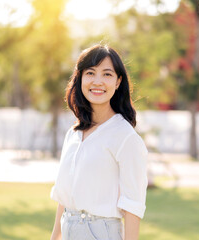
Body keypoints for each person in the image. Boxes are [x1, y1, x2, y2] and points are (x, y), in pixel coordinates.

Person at [50, 44, 148, 240]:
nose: (97, 81)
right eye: (90, 73)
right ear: (80, 79)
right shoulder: (73, 134)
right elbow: (66, 196)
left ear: (118, 81)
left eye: (107, 74)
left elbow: (133, 205)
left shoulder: (125, 137)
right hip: (69, 229)